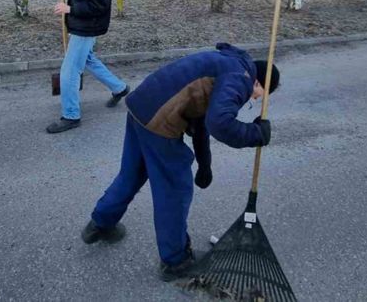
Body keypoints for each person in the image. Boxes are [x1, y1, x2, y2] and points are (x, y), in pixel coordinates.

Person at [80, 43, 280, 281]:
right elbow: (220, 124)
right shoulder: (241, 79)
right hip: (159, 121)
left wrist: (205, 164)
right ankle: (176, 261)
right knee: (174, 189)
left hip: (140, 106)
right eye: (258, 96)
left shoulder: (228, 65)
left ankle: (99, 224)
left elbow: (202, 120)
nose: (254, 99)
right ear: (258, 83)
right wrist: (257, 134)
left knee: (132, 173)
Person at [47, 0, 129, 134]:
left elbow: (100, 5)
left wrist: (69, 7)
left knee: (69, 71)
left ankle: (71, 115)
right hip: (84, 26)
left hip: (86, 28)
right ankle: (120, 88)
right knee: (89, 60)